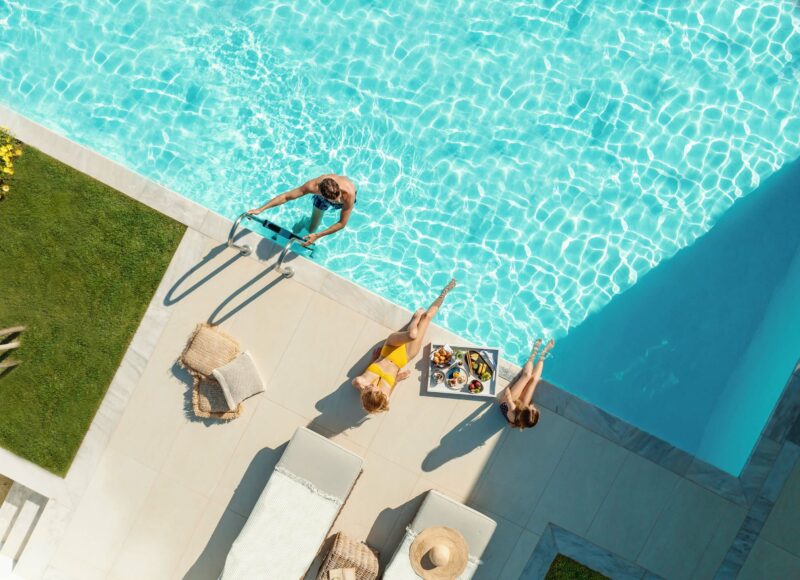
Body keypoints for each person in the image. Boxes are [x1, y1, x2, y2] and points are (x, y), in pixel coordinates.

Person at [353, 279, 457, 414]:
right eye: (375, 388)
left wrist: (373, 360)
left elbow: (361, 379)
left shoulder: (360, 382)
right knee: (426, 317)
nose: (373, 384)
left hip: (389, 349)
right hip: (405, 356)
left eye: (370, 388)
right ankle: (445, 292)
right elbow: (390, 389)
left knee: (412, 335)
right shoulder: (385, 397)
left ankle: (414, 320)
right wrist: (397, 379)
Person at [247, 174, 356, 247]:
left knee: (316, 231)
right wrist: (260, 209)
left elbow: (342, 223)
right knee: (313, 227)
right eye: (334, 200)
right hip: (323, 200)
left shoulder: (348, 194)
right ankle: (305, 221)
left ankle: (310, 223)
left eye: (338, 197)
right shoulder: (312, 187)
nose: (337, 200)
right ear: (319, 193)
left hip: (343, 197)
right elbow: (286, 197)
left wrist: (318, 236)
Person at [498, 338, 555, 429]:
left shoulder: (512, 410)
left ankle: (533, 354)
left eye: (531, 407)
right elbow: (528, 409)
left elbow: (507, 393)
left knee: (526, 376)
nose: (532, 405)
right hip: (520, 408)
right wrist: (524, 402)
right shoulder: (526, 415)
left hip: (507, 401)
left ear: (524, 412)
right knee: (534, 380)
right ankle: (543, 354)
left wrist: (515, 381)